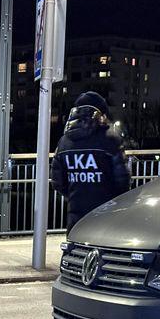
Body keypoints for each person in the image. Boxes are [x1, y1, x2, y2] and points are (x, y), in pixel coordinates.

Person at [51, 91, 130, 232]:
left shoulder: (64, 142)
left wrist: (74, 194)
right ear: (101, 113)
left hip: (75, 213)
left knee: (75, 250)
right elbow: (122, 180)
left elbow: (58, 182)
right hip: (106, 213)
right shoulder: (110, 138)